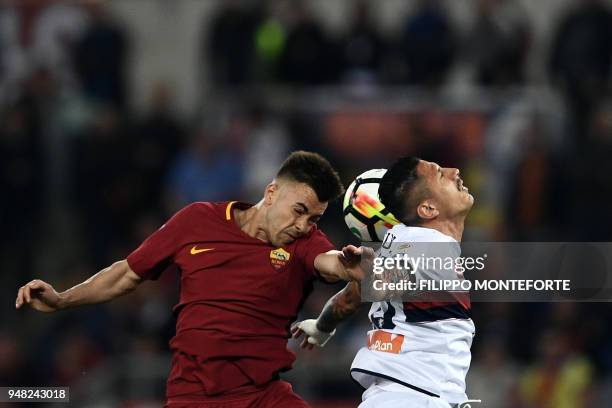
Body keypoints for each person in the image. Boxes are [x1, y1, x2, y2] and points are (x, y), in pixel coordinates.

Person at [16, 151, 366, 407]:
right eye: (299, 211)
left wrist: (351, 265)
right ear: (271, 193)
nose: (302, 226)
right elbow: (125, 273)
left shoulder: (305, 243)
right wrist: (63, 299)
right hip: (194, 397)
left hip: (262, 397)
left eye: (313, 218)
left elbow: (329, 261)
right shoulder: (197, 221)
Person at [293, 157, 476, 407]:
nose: (455, 170)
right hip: (415, 397)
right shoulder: (431, 247)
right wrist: (366, 271)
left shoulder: (398, 239)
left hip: (401, 395)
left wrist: (321, 326)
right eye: (441, 174)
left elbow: (348, 300)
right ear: (428, 209)